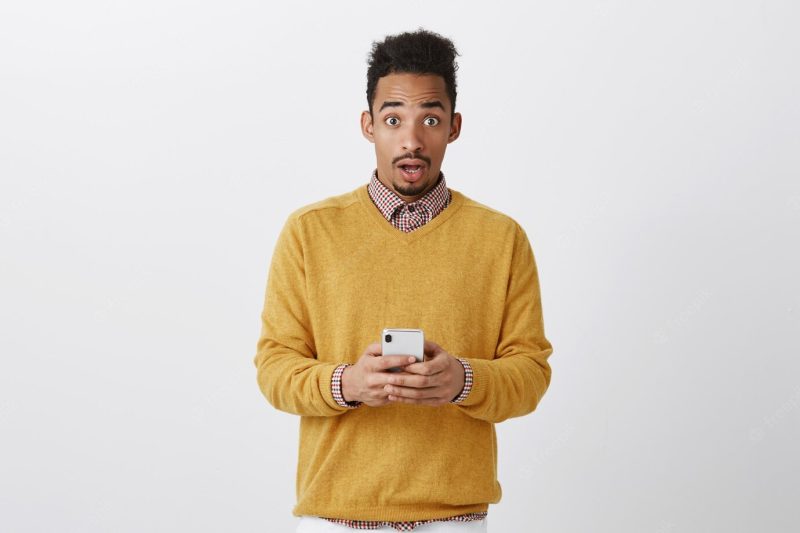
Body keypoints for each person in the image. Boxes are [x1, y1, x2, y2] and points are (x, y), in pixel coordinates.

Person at [253, 28, 554, 532]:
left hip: (454, 519)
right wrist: (347, 383)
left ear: (453, 126)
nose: (411, 141)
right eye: (393, 119)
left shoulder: (502, 239)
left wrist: (464, 380)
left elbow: (531, 374)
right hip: (334, 518)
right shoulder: (309, 231)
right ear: (369, 125)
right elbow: (273, 367)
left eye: (429, 119)